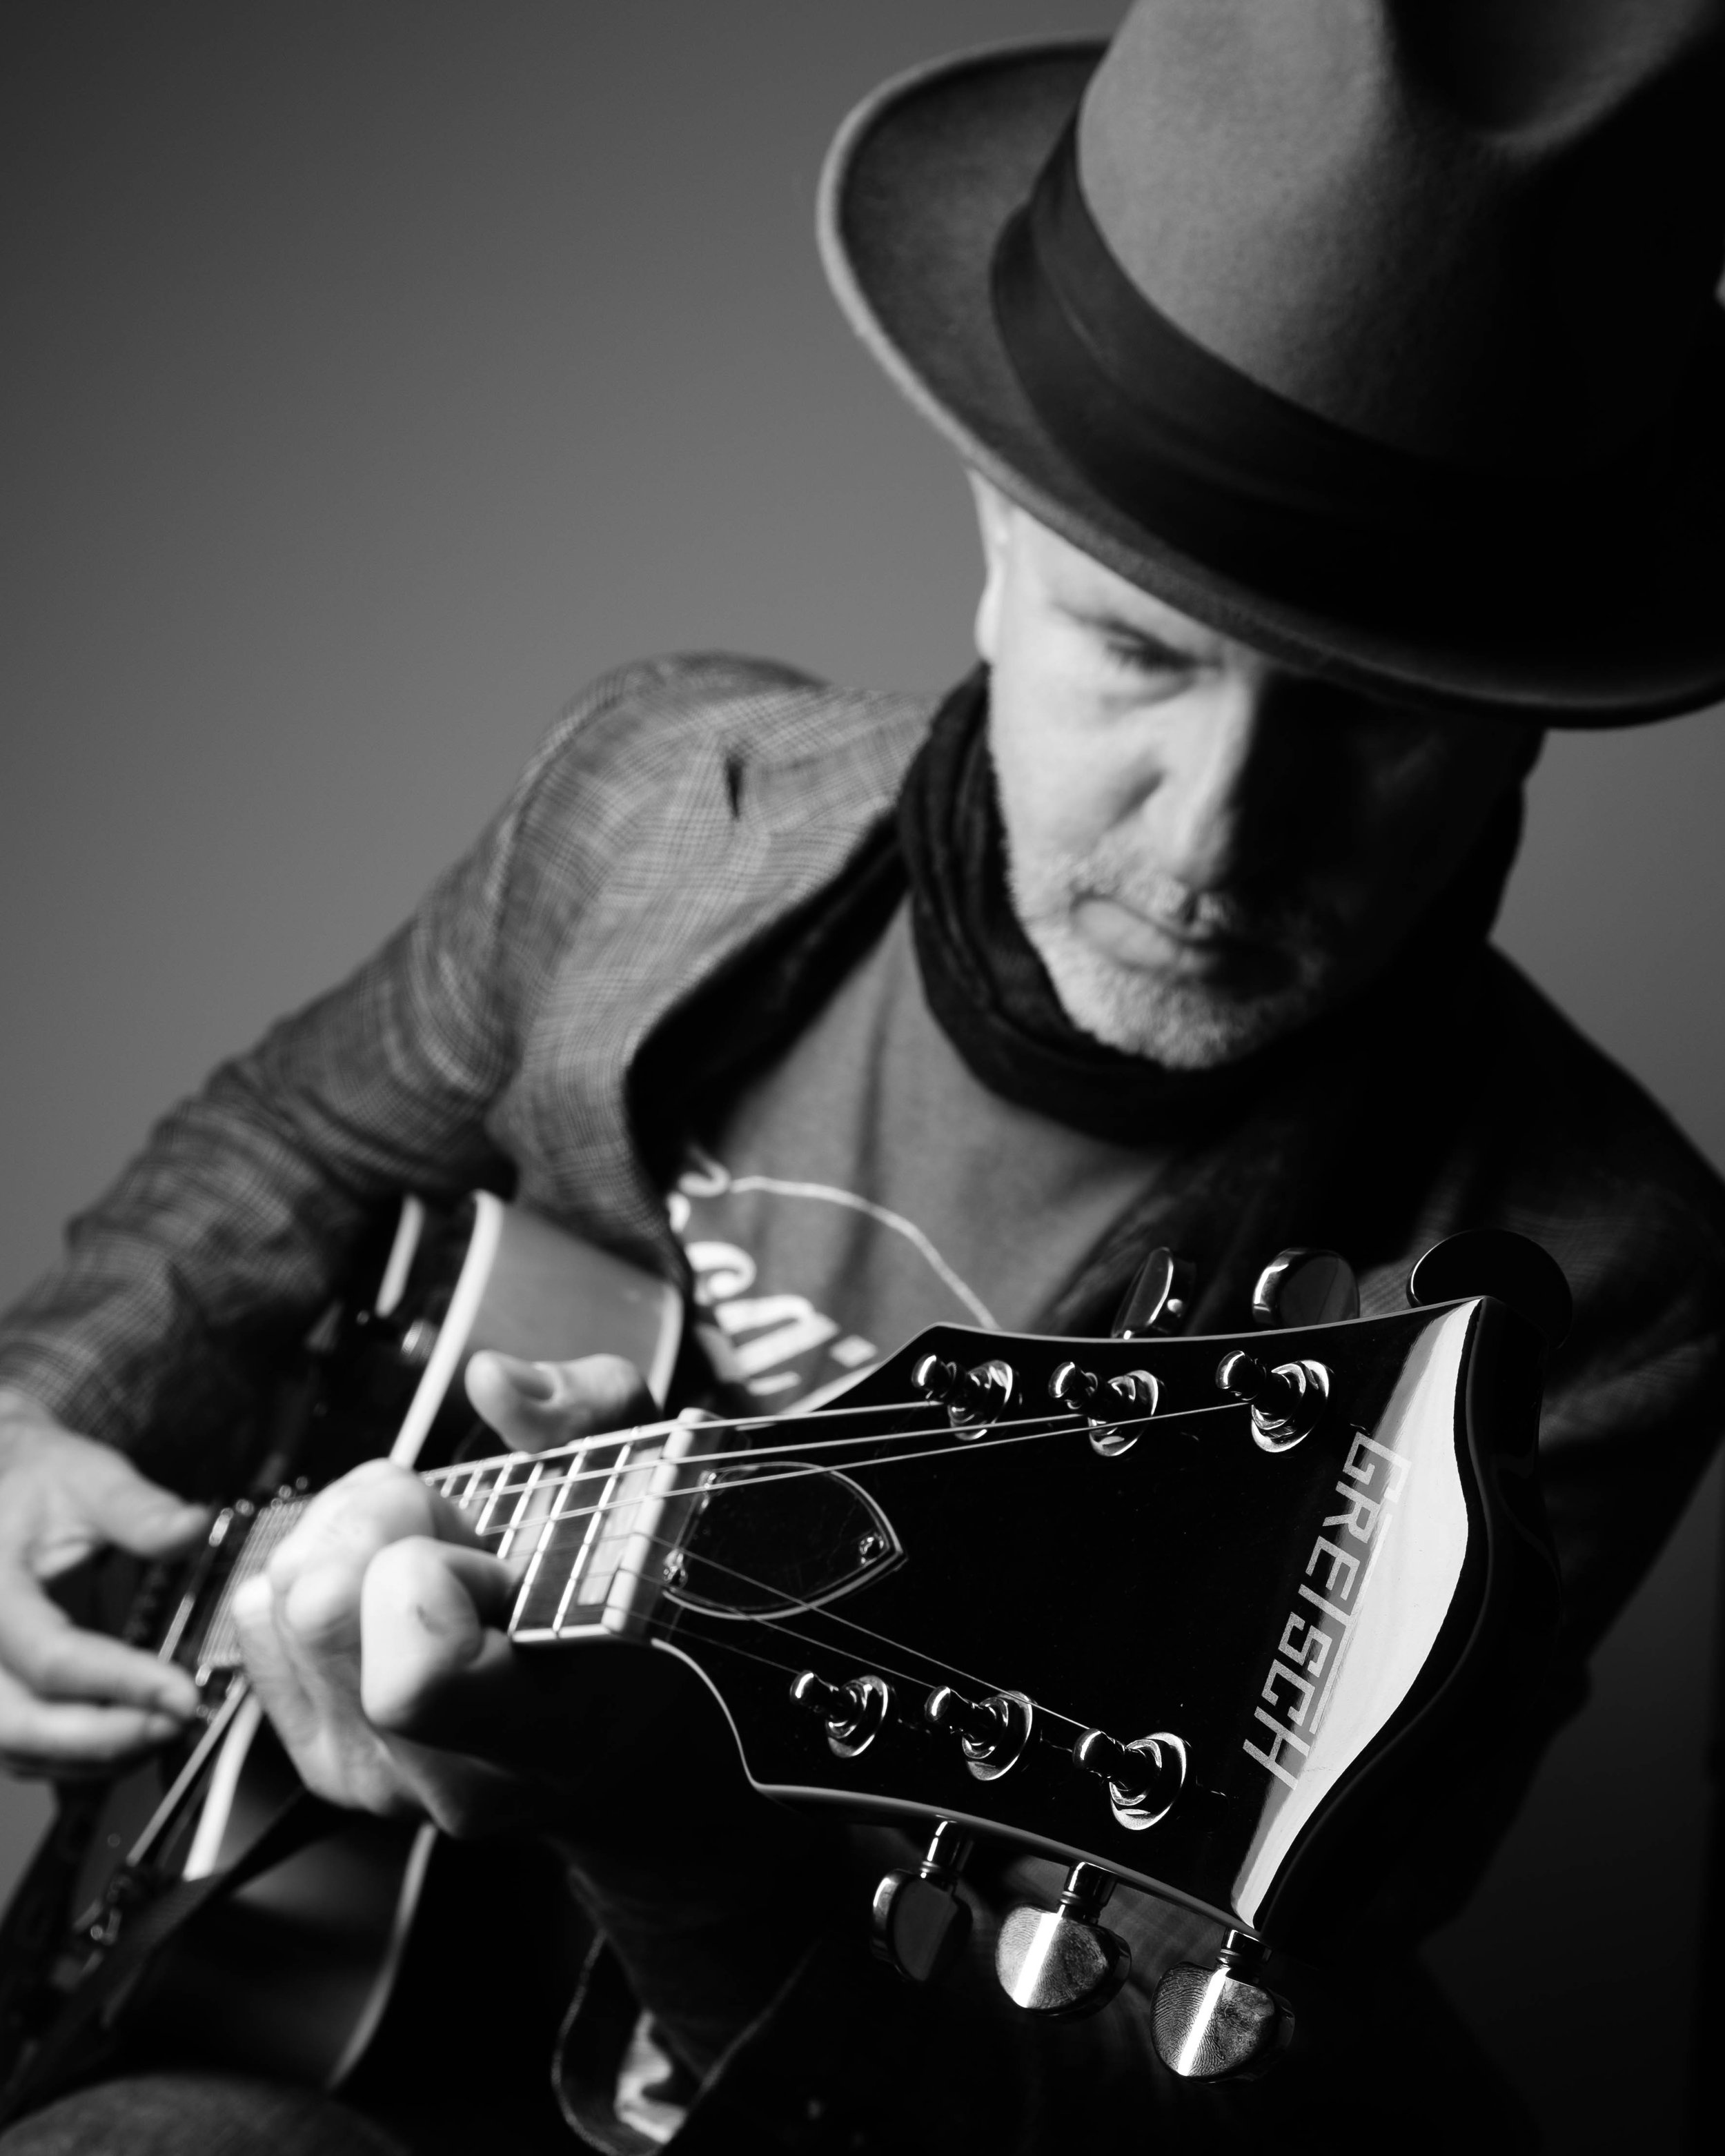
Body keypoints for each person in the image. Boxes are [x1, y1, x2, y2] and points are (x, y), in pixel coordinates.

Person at [3, 1, 1725, 2148]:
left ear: (1520, 719)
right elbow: (287, 1139)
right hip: (300, 1943)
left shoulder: (1577, 1278)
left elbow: (1120, 2090)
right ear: (994, 542)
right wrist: (41, 1416)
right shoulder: (663, 795)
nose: (1212, 840)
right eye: (1137, 651)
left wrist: (656, 1812)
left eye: (1369, 716)